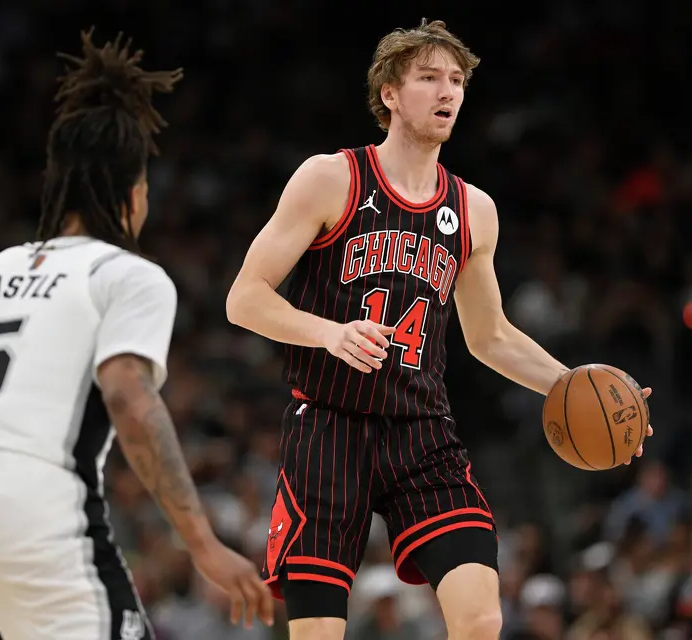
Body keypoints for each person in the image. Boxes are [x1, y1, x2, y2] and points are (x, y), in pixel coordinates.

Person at [226, 18, 653, 640]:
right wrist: (328, 333)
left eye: (456, 80)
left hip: (420, 432)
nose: (447, 91)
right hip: (328, 424)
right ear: (390, 94)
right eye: (429, 78)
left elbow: (491, 337)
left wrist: (579, 387)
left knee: (481, 618)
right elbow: (244, 298)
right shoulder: (332, 178)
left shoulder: (474, 209)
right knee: (317, 634)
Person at [0, 28, 272, 639]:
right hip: (34, 501)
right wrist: (202, 542)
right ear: (132, 195)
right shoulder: (126, 275)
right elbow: (129, 396)